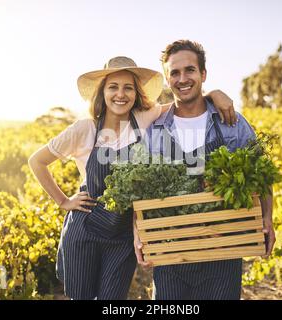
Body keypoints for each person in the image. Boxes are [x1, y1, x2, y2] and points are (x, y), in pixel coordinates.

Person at [28, 55, 238, 300]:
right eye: (113, 87)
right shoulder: (83, 129)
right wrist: (63, 201)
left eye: (128, 88)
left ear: (136, 93)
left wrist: (214, 93)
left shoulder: (143, 118)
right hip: (85, 230)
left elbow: (185, 101)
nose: (121, 94)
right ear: (102, 92)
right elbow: (37, 161)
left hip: (122, 235)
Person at [133, 40, 275, 300]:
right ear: (167, 78)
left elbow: (261, 172)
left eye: (190, 70)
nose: (182, 78)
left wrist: (267, 217)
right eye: (174, 73)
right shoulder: (155, 130)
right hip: (171, 252)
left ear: (203, 74)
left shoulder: (230, 121)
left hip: (223, 249)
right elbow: (140, 191)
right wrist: (137, 233)